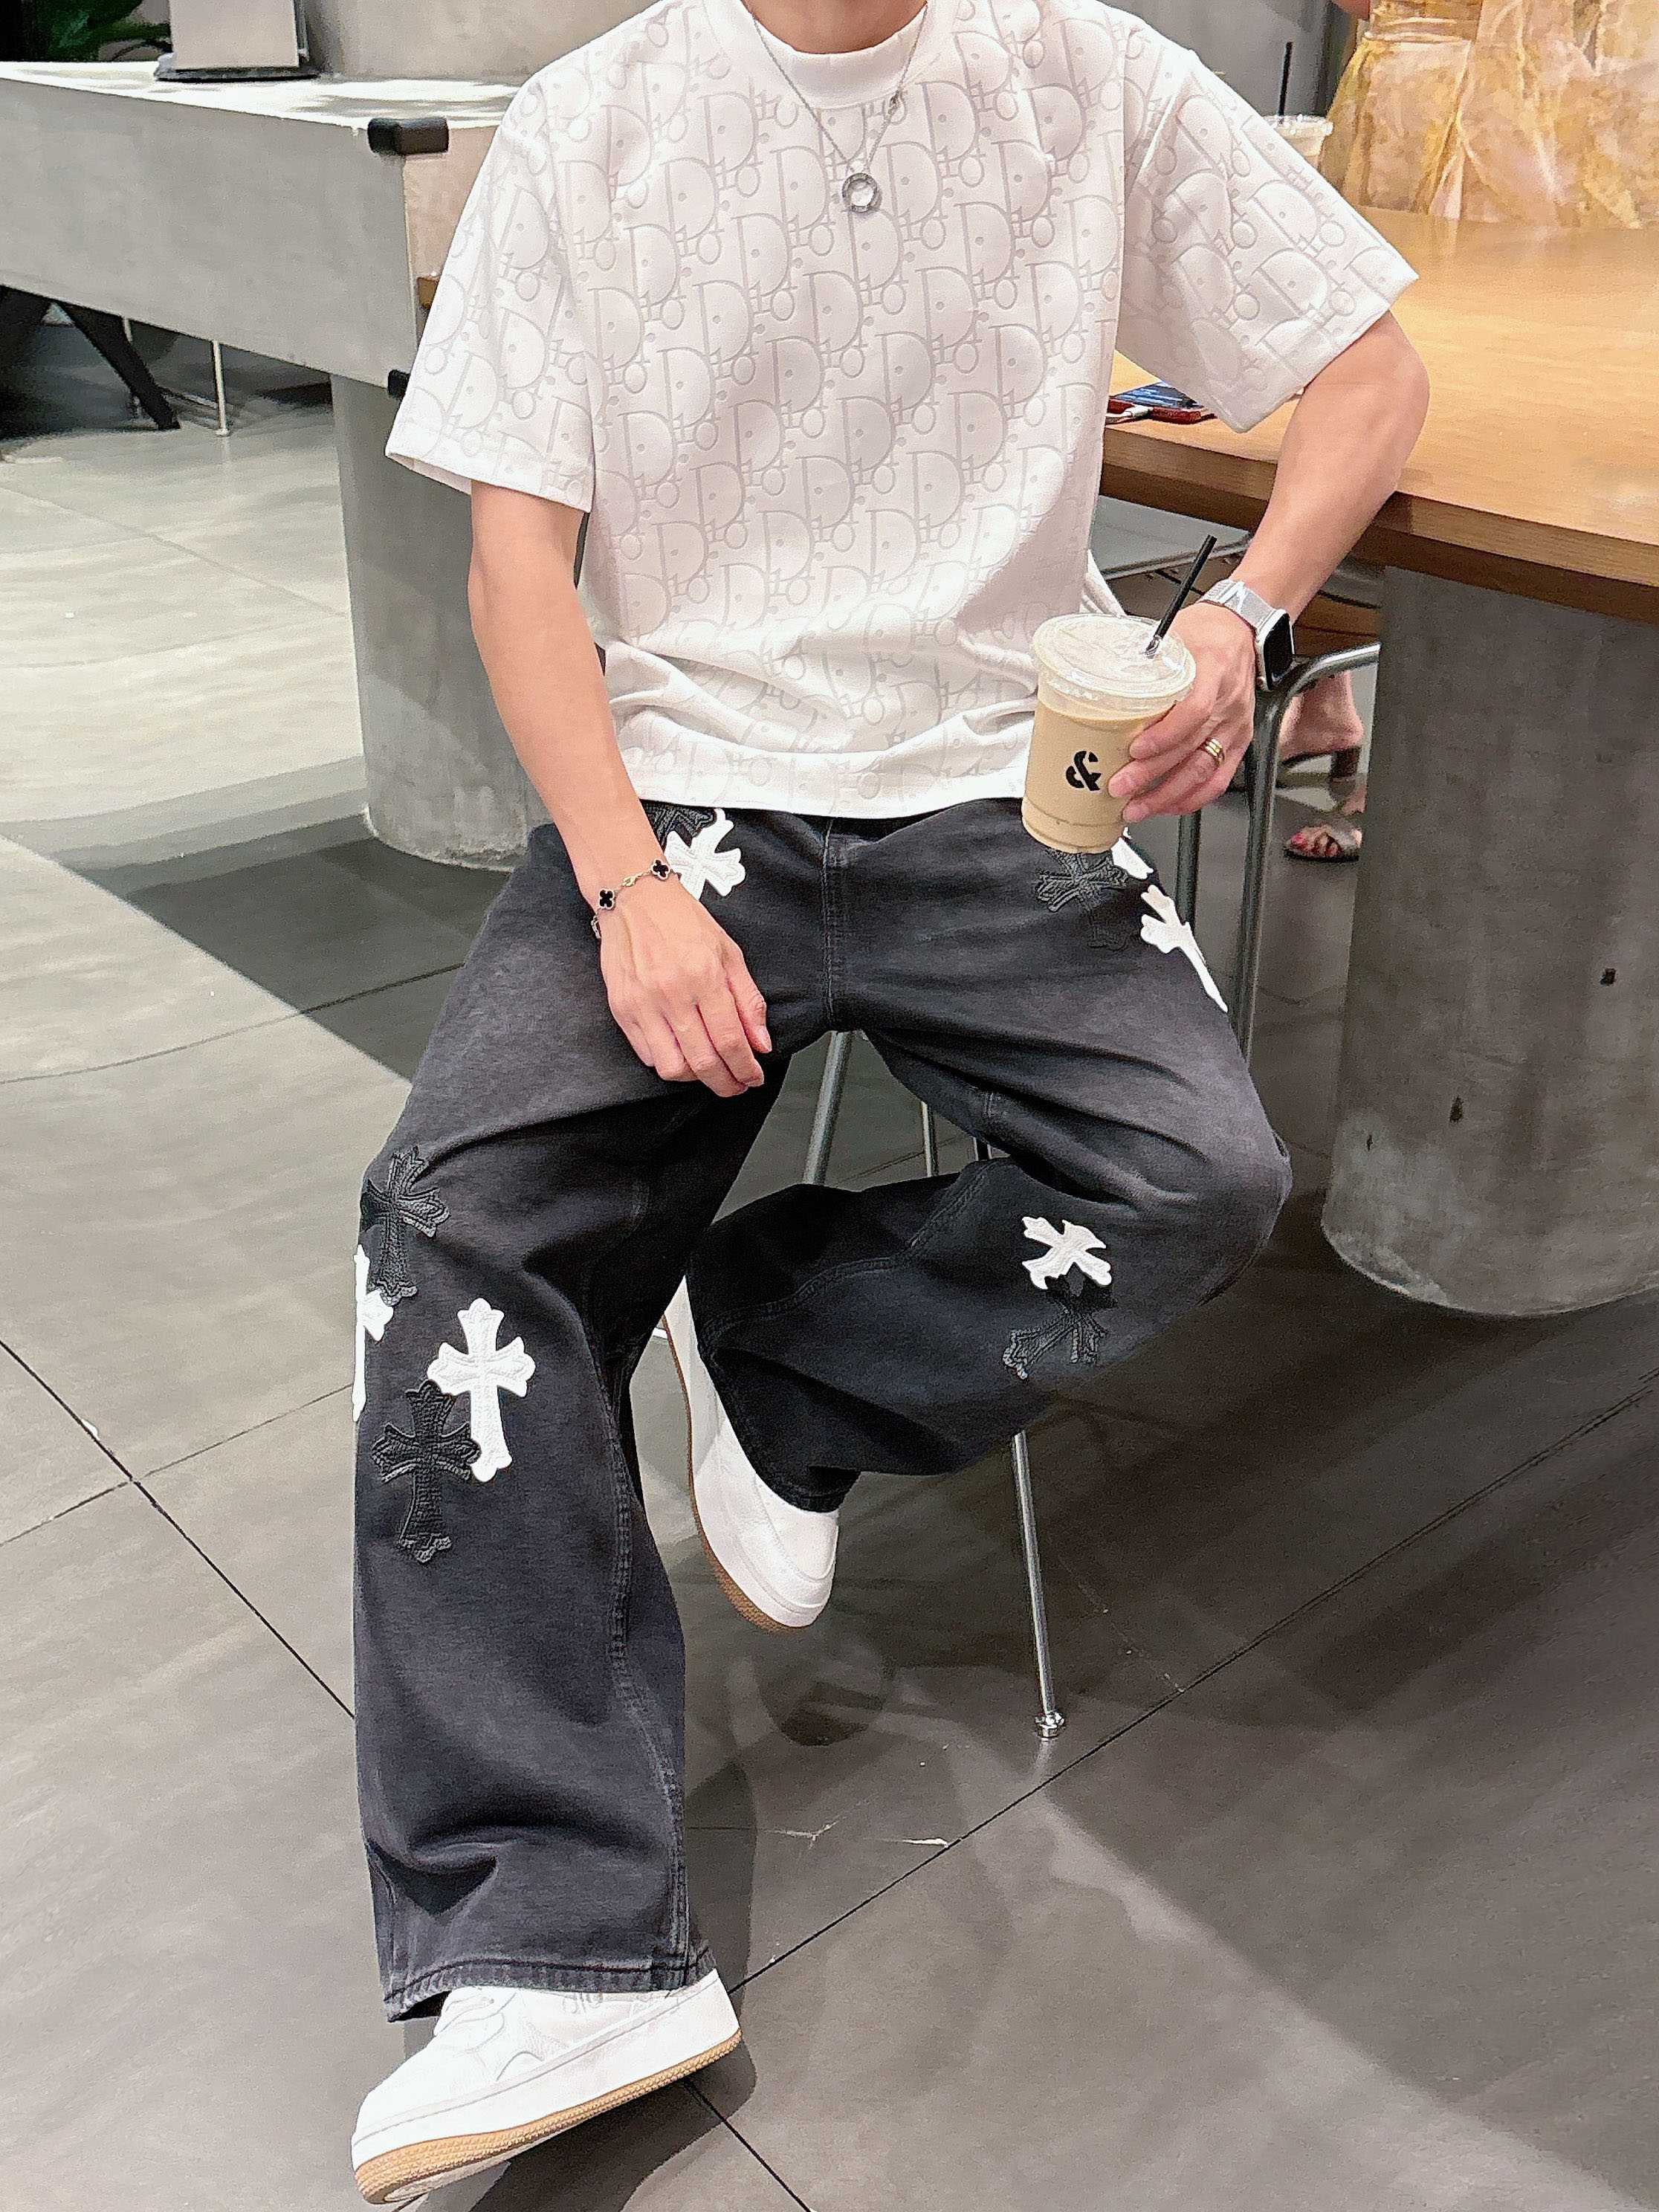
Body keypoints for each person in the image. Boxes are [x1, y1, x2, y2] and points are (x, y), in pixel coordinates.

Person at [346, 0, 1429, 2197]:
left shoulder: (1084, 75)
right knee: (454, 1232)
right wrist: (627, 890)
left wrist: (1243, 620)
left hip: (994, 788)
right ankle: (552, 1938)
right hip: (685, 792)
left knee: (1200, 1175)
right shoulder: (592, 125)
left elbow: (1372, 371)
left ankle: (788, 1360)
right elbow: (516, 564)